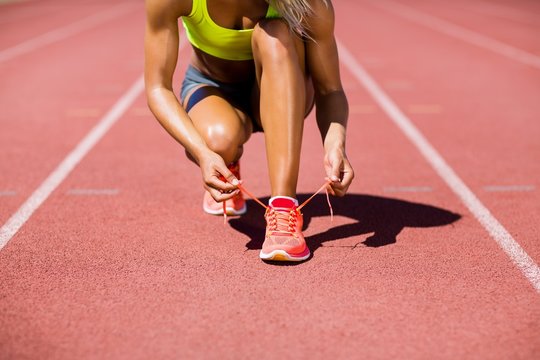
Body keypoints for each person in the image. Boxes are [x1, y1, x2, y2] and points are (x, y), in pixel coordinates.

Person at [144, 0, 354, 262]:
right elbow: (157, 89)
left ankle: (283, 206)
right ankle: (225, 163)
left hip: (285, 86)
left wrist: (335, 143)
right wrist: (202, 154)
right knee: (217, 142)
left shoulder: (312, 4)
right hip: (212, 87)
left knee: (276, 33)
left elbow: (331, 90)